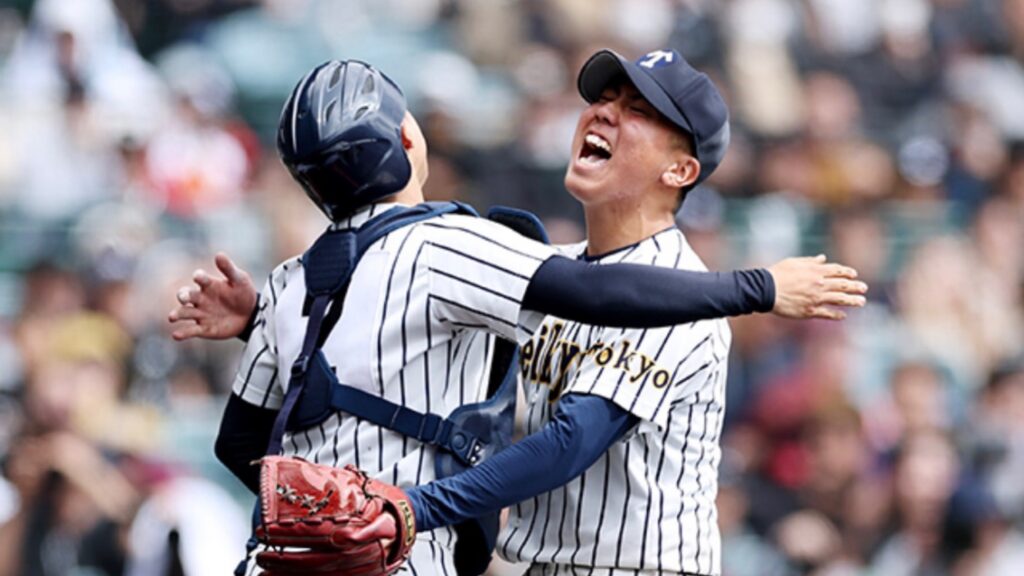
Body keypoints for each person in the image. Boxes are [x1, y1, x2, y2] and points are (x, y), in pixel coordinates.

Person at [170, 57, 866, 575]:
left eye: (638, 111)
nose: (602, 112)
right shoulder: (550, 271)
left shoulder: (677, 292)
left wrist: (414, 507)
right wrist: (274, 319)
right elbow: (396, 332)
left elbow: (569, 441)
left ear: (681, 171)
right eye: (603, 97)